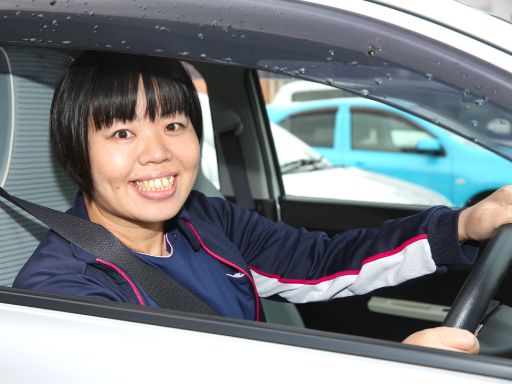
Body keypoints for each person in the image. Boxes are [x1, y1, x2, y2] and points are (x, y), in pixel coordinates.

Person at [13, 51, 512, 354]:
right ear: (75, 149)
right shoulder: (64, 295)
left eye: (173, 125)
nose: (159, 153)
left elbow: (321, 263)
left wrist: (464, 225)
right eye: (123, 131)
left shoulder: (204, 222)